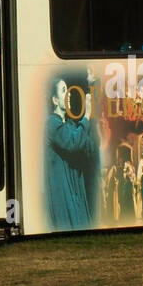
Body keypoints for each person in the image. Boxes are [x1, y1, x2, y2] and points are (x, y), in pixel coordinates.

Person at [45, 79, 97, 230]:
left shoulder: (70, 124)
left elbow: (89, 149)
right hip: (63, 191)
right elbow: (72, 142)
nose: (68, 94)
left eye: (67, 89)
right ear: (55, 100)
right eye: (63, 91)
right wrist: (86, 117)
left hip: (75, 190)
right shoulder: (51, 124)